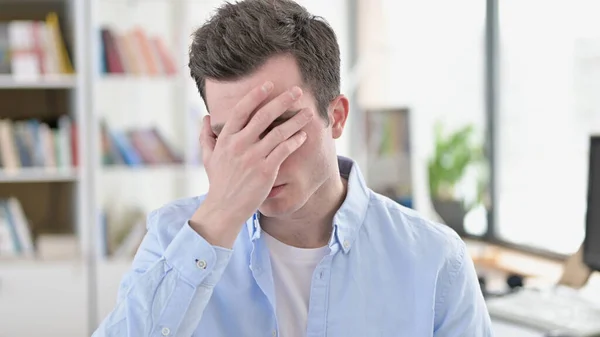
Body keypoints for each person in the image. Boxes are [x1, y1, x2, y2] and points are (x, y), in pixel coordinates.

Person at [93, 0, 492, 336]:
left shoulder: (435, 262)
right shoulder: (172, 238)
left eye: (278, 125)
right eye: (232, 135)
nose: (256, 159)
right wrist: (220, 217)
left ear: (335, 117)